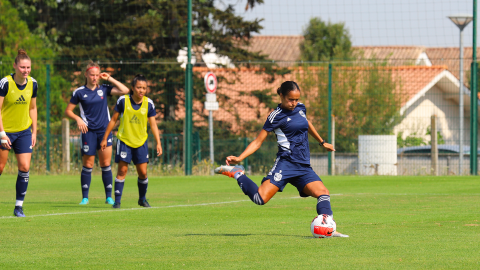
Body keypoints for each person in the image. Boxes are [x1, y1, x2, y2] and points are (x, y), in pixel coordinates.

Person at [215, 81, 348, 237]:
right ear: (282, 96)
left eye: (296, 99)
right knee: (259, 198)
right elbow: (258, 141)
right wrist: (240, 158)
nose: (294, 103)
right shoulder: (275, 116)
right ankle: (238, 173)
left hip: (303, 167)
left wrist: (322, 141)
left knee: (323, 193)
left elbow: (306, 122)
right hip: (285, 165)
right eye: (290, 99)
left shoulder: (300, 108)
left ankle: (328, 228)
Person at [65, 61, 129, 205]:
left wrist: (110, 78)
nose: (94, 78)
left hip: (104, 132)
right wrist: (78, 119)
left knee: (106, 163)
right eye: (92, 75)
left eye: (96, 75)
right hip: (88, 132)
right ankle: (85, 197)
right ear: (86, 75)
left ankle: (108, 197)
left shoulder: (104, 89)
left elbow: (125, 90)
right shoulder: (79, 92)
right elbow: (68, 111)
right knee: (88, 164)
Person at [100, 74, 162, 209]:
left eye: (144, 88)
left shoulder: (148, 103)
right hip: (125, 141)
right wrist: (105, 138)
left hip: (141, 142)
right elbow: (113, 120)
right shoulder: (123, 101)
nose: (141, 90)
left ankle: (142, 199)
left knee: (143, 173)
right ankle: (117, 202)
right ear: (132, 88)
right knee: (122, 171)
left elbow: (153, 125)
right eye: (139, 87)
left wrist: (158, 142)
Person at [0, 49, 37, 217]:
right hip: (5, 131)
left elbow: (33, 108)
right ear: (15, 66)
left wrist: (34, 132)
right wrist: (2, 134)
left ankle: (18, 207)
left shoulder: (33, 83)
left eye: (28, 67)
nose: (26, 71)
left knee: (25, 167)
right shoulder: (5, 83)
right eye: (22, 67)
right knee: (0, 167)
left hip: (23, 131)